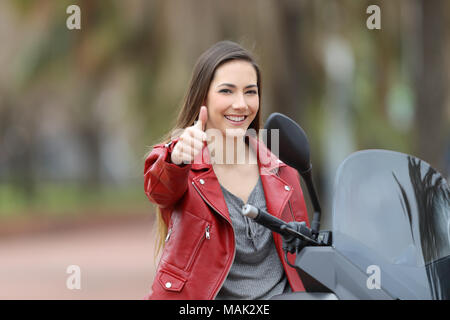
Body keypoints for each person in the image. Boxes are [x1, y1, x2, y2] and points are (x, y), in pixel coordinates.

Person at [144, 40, 310, 300]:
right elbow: (159, 190)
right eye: (227, 91)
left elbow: (302, 255)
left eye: (250, 92)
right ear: (203, 98)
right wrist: (176, 161)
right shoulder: (180, 161)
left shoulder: (282, 172)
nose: (241, 104)